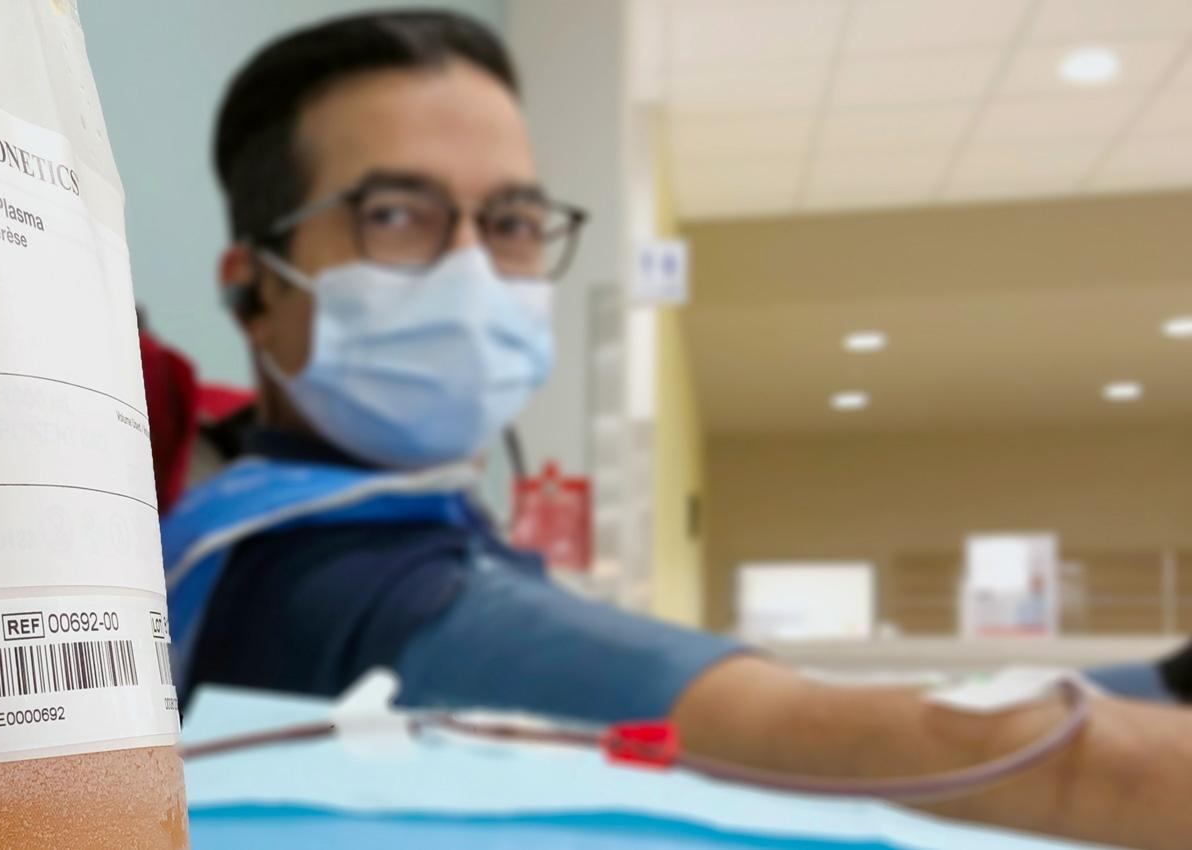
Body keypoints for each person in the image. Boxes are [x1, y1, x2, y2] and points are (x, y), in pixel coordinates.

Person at [160, 11, 1192, 848]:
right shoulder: (324, 584)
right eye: (395, 213)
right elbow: (837, 733)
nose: (473, 268)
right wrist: (1102, 755)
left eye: (510, 223)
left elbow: (826, 708)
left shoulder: (435, 532)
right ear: (252, 286)